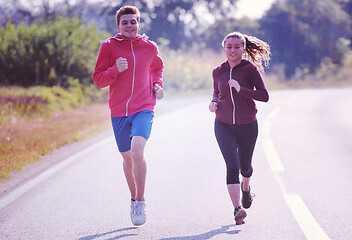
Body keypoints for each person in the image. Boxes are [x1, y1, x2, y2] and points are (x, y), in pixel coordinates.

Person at [92, 5, 164, 226]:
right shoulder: (108, 47)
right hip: (119, 111)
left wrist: (157, 85)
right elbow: (98, 80)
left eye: (133, 22)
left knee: (137, 151)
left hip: (144, 107)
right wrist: (115, 69)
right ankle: (133, 199)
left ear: (139, 24)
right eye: (125, 22)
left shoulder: (150, 47)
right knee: (127, 158)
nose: (129, 25)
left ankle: (140, 202)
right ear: (118, 26)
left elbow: (157, 69)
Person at [209, 31, 270, 225]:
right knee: (232, 165)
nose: (233, 50)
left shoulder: (249, 70)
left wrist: (241, 89)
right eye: (229, 47)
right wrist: (213, 103)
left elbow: (264, 95)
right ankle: (237, 209)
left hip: (247, 125)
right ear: (224, 48)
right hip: (223, 124)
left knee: (245, 166)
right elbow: (216, 92)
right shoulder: (218, 71)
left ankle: (246, 189)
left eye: (237, 47)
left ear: (243, 49)